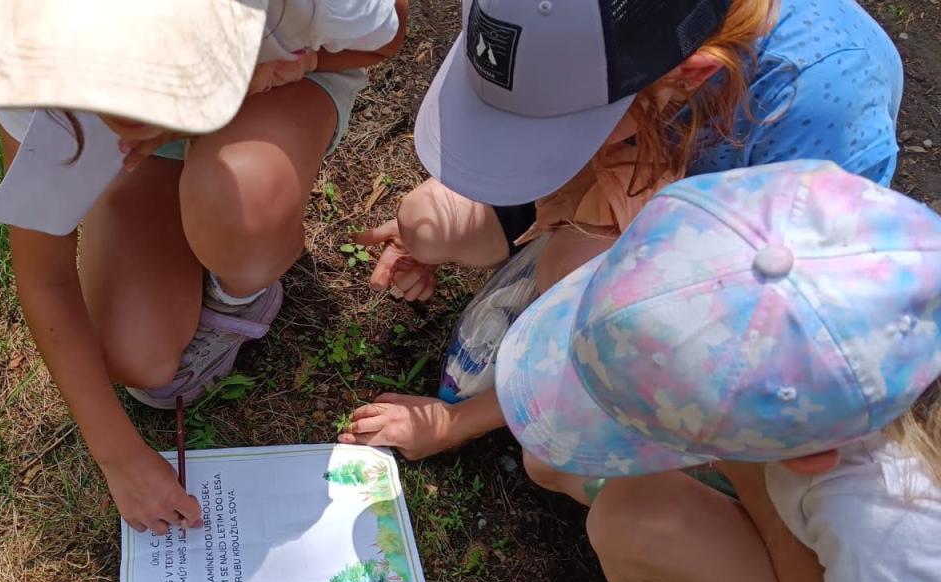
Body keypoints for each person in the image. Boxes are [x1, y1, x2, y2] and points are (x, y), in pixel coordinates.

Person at [340, 0, 904, 503]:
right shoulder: (625, 56)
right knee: (427, 222)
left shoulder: (817, 109)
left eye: (545, 128)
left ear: (690, 76)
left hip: (724, 269)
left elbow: (769, 338)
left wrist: (456, 421)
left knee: (552, 453)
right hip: (631, 170)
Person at [489, 161, 941, 582]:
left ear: (805, 457)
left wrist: (755, 489)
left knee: (634, 519)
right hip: (815, 507)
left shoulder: (890, 524)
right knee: (556, 464)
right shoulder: (890, 264)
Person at [0, 0, 407, 534]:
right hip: (186, 97)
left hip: (276, 84)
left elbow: (388, 34)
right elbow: (44, 275)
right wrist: (118, 457)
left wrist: (275, 72)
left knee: (247, 199)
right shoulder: (30, 42)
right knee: (139, 360)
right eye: (101, 106)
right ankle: (147, 186)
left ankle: (238, 290)